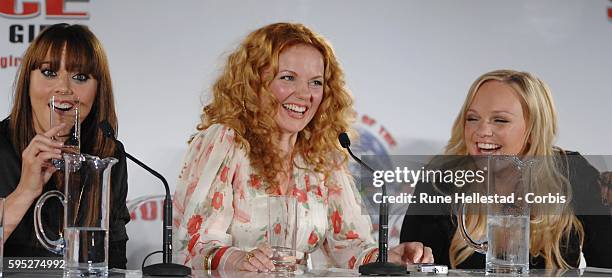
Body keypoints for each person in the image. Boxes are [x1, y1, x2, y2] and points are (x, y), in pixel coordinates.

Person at [172, 22, 433, 272]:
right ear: (254, 83)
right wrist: (237, 260)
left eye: (316, 82)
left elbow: (349, 247)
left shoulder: (323, 156)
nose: (304, 94)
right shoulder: (226, 142)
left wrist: (388, 257)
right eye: (288, 78)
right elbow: (193, 246)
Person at [400, 69, 612, 269]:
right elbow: (414, 266)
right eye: (472, 118)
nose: (481, 131)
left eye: (500, 120)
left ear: (532, 129)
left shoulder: (571, 171)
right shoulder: (442, 178)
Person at [0, 23, 130, 268]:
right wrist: (24, 192)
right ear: (28, 80)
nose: (64, 89)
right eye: (49, 72)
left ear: (98, 90)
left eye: (80, 77)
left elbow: (115, 263)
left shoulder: (109, 153)